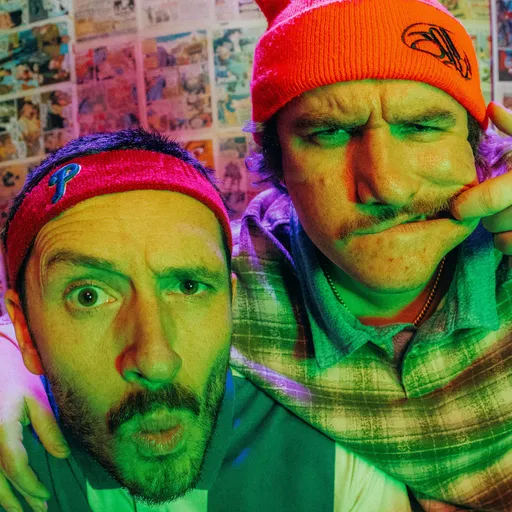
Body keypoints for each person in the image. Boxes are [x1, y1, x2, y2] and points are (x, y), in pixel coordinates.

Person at [0, 0, 512, 510]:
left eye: (421, 126)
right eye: (329, 132)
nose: (386, 186)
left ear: (475, 144)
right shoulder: (232, 284)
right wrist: (11, 365)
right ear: (278, 163)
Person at [0, 129, 410, 512]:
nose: (156, 362)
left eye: (189, 286)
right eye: (88, 297)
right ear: (25, 332)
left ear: (231, 304)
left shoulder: (339, 466)